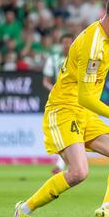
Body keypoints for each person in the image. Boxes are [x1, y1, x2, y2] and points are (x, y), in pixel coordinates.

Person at [12, 0, 109, 217]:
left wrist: (104, 57)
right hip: (63, 109)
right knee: (78, 173)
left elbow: (83, 63)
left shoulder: (107, 36)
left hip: (83, 111)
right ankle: (25, 209)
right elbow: (85, 97)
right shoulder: (95, 44)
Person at [42, 33, 74, 175]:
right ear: (60, 44)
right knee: (64, 132)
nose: (67, 45)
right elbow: (46, 80)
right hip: (58, 101)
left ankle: (63, 164)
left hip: (74, 100)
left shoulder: (78, 58)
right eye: (64, 42)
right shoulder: (53, 59)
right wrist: (54, 90)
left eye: (69, 42)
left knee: (70, 132)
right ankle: (64, 164)